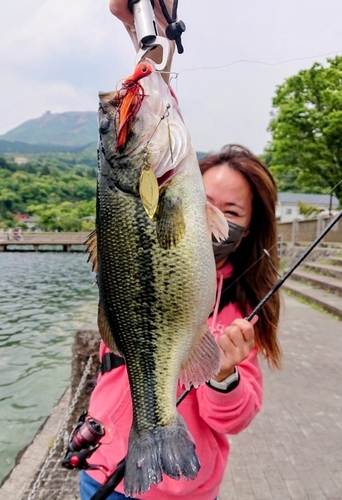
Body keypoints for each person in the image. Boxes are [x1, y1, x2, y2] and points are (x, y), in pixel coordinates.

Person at [79, 2, 281, 499]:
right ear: (188, 190)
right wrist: (146, 29)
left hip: (185, 491)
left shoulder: (240, 300)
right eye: (206, 200)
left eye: (232, 211)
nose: (216, 215)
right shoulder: (156, 179)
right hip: (103, 473)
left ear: (252, 226)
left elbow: (236, 418)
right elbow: (153, 98)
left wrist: (225, 375)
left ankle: (157, 426)